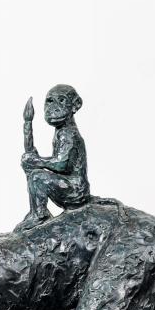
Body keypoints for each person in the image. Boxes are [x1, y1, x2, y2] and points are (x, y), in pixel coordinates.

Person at [15, 84, 90, 231]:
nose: (53, 108)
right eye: (50, 101)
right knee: (34, 171)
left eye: (61, 100)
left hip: (75, 189)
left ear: (76, 105)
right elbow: (36, 156)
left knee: (37, 177)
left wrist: (37, 161)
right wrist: (28, 123)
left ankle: (40, 215)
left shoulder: (68, 133)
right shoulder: (61, 132)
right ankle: (36, 212)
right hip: (69, 185)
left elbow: (61, 164)